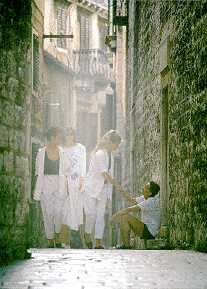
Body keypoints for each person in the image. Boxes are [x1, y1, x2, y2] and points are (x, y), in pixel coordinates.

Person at [84, 130, 122, 249]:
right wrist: (117, 185)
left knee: (100, 214)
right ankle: (87, 233)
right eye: (116, 144)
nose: (117, 147)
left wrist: (111, 187)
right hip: (92, 187)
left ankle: (98, 242)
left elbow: (108, 175)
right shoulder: (100, 154)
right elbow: (104, 173)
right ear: (110, 143)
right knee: (91, 214)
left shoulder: (111, 155)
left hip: (104, 188)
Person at [33, 127, 66, 248]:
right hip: (45, 183)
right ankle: (50, 240)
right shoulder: (41, 152)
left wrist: (66, 188)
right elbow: (38, 172)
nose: (60, 139)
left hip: (59, 183)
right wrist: (37, 190)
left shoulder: (62, 152)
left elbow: (66, 171)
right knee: (47, 213)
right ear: (52, 137)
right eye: (58, 136)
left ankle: (57, 235)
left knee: (58, 212)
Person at [111, 181, 160, 249]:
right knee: (124, 216)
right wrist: (121, 190)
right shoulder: (145, 197)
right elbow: (131, 200)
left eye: (146, 187)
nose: (143, 188)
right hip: (145, 228)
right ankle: (126, 244)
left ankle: (126, 245)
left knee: (125, 217)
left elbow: (130, 209)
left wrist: (115, 215)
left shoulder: (151, 201)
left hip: (150, 232)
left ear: (150, 193)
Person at [61, 127, 86, 248]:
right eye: (67, 134)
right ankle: (70, 239)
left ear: (74, 135)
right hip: (65, 183)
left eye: (71, 134)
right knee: (66, 209)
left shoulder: (80, 148)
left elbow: (83, 164)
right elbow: (61, 168)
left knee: (76, 209)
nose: (69, 136)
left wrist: (82, 179)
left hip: (77, 182)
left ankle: (76, 237)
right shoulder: (61, 149)